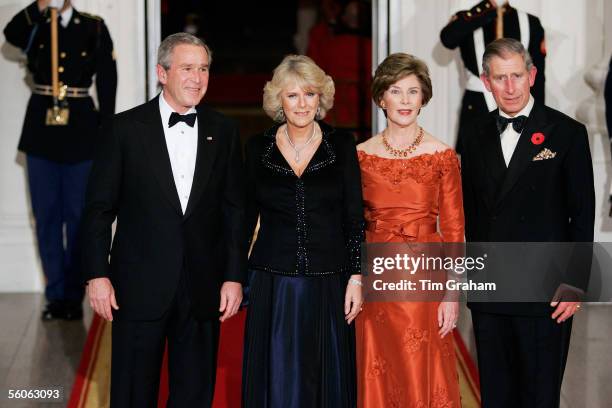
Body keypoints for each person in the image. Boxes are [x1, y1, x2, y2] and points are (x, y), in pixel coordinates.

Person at [80, 33, 245, 407]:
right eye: (187, 68)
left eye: (203, 69)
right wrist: (97, 274)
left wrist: (234, 276)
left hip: (202, 287)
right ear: (161, 72)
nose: (197, 78)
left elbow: (235, 211)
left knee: (194, 393)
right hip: (137, 287)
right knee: (133, 392)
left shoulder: (225, 131)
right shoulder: (123, 130)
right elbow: (97, 209)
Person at [461, 38, 595, 407]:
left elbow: (582, 214)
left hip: (546, 291)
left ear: (532, 75)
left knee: (539, 396)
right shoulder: (473, 136)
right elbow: (469, 214)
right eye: (500, 78)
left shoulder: (567, 133)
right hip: (491, 290)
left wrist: (575, 282)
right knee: (496, 394)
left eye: (517, 76)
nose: (509, 87)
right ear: (486, 81)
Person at [242, 54, 364, 407]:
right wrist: (234, 277)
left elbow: (354, 217)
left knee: (323, 376)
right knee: (275, 375)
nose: (302, 104)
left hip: (329, 279)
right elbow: (244, 218)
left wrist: (357, 276)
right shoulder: (257, 147)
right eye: (292, 95)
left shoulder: (341, 144)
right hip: (272, 280)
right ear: (278, 99)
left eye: (310, 94)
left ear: (321, 98)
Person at [355, 53, 463, 407]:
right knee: (378, 367)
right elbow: (351, 225)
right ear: (380, 97)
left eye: (413, 92)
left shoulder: (442, 155)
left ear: (424, 97)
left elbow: (453, 229)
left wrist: (451, 294)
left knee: (419, 368)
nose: (404, 101)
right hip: (375, 277)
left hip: (423, 279)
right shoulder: (360, 156)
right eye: (396, 91)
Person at [3, 0, 117, 320]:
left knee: (80, 217)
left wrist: (107, 134)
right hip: (41, 131)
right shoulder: (36, 22)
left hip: (82, 131)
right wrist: (38, 7)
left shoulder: (93, 26)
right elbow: (11, 33)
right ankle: (55, 294)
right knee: (46, 216)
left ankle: (72, 292)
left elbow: (107, 81)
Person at [440, 0, 545, 154]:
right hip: (478, 108)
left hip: (520, 108)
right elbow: (448, 39)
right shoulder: (471, 18)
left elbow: (538, 77)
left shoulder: (530, 22)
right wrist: (489, 5)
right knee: (474, 170)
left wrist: (539, 120)